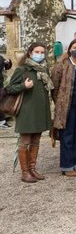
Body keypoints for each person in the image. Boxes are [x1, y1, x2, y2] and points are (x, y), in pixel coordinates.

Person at [6, 43, 53, 182]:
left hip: (40, 111)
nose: (40, 54)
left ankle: (33, 169)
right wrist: (23, 86)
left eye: (42, 52)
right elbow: (9, 89)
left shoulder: (44, 70)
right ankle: (25, 172)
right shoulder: (22, 69)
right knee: (25, 142)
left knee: (36, 141)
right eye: (37, 51)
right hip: (26, 111)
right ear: (30, 53)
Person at [51, 39, 76, 177]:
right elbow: (54, 87)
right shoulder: (61, 65)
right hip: (67, 106)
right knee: (67, 136)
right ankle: (67, 166)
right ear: (69, 49)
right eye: (75, 47)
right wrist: (60, 101)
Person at [0, 53, 13, 128]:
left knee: (1, 101)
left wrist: (8, 62)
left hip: (0, 84)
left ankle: (2, 122)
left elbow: (7, 67)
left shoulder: (0, 57)